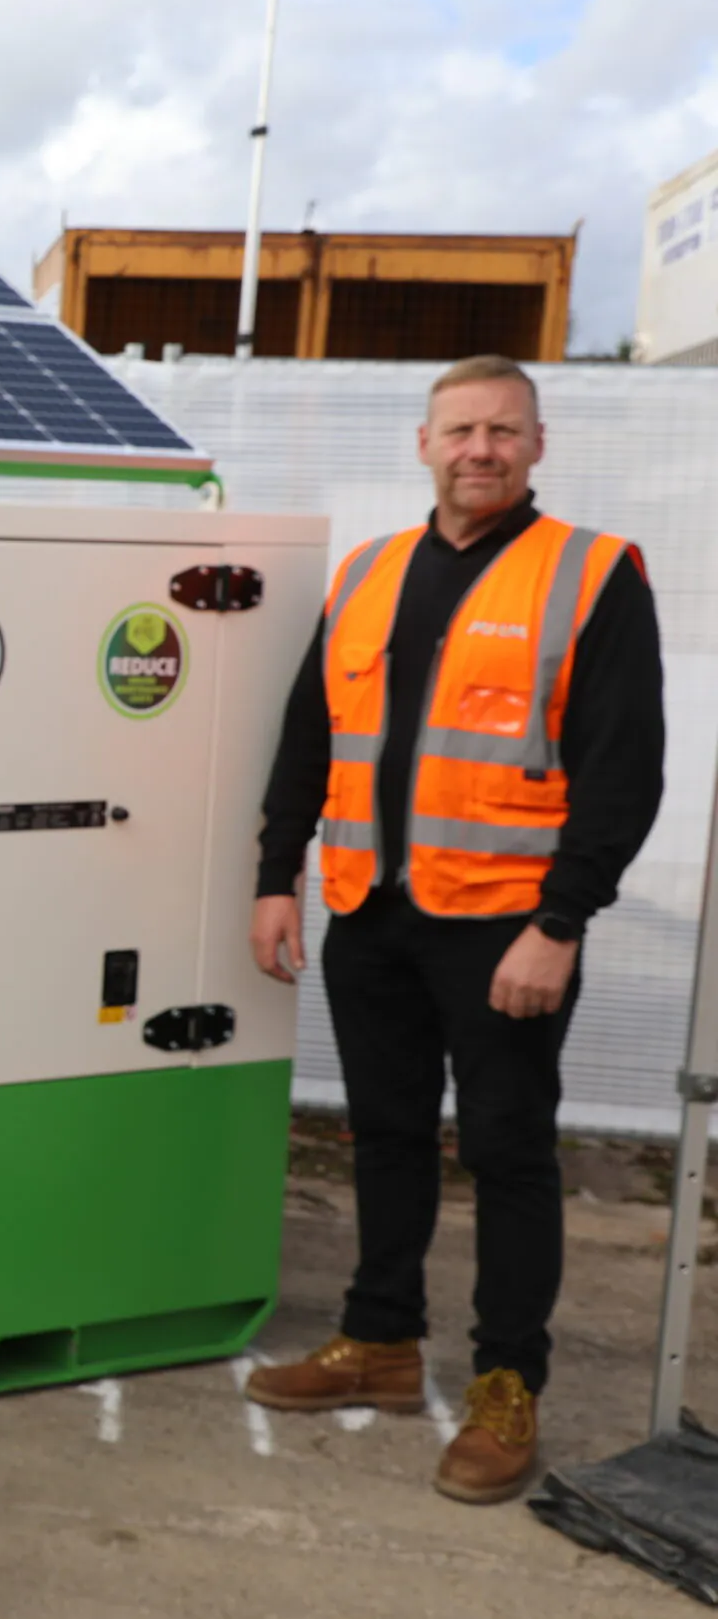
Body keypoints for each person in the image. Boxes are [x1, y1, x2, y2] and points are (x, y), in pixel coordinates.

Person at [242, 354, 662, 1504]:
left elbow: (623, 772)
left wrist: (561, 921)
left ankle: (504, 1384)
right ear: (420, 444)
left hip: (506, 927)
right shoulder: (370, 571)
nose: (480, 449)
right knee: (381, 1134)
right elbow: (307, 736)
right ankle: (377, 1344)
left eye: (502, 431)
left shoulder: (591, 575)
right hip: (368, 912)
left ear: (537, 445)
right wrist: (275, 875)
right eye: (460, 429)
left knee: (509, 1152)